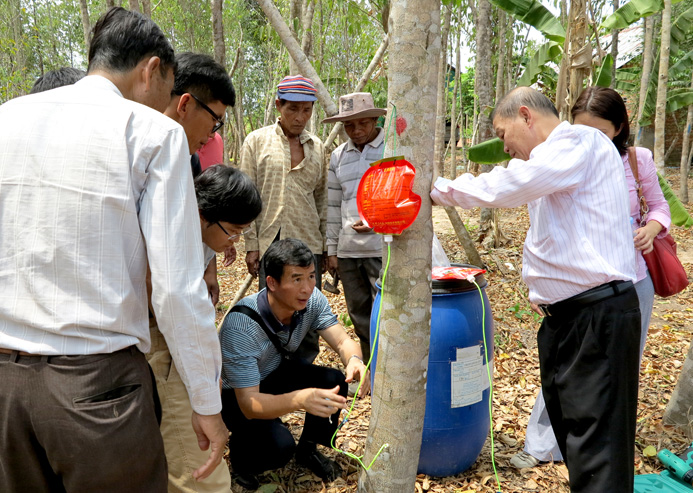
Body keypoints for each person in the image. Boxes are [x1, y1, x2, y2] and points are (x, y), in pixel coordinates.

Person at [0, 7, 227, 492]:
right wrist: (207, 402)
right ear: (152, 70)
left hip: (5, 387)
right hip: (96, 392)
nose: (165, 105)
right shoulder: (152, 133)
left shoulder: (7, 118)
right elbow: (176, 290)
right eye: (167, 92)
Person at [431, 86, 641, 493]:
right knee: (575, 439)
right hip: (564, 319)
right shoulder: (552, 163)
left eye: (503, 131)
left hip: (597, 316)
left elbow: (509, 184)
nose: (504, 146)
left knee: (599, 448)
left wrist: (437, 189)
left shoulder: (579, 141)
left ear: (526, 116)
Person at [510, 86, 672, 470]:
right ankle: (542, 444)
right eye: (581, 128)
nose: (589, 139)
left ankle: (606, 448)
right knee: (565, 372)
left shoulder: (636, 161)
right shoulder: (562, 156)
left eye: (599, 131)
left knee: (615, 373)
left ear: (618, 128)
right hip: (580, 288)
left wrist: (652, 228)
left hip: (631, 280)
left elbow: (662, 207)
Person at [219, 238, 370, 491]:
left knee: (334, 381)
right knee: (279, 448)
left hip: (274, 373)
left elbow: (343, 340)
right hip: (237, 396)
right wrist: (300, 399)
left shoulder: (310, 299)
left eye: (312, 276)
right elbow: (248, 404)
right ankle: (242, 461)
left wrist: (355, 360)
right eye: (297, 279)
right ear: (272, 283)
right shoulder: (241, 327)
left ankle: (308, 450)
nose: (308, 288)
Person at [147, 164, 261, 493]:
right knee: (197, 467)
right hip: (166, 347)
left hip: (173, 343)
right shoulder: (174, 250)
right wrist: (206, 398)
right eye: (233, 231)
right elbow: (185, 322)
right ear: (202, 213)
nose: (235, 241)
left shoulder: (193, 230)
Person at [239, 75, 328, 363]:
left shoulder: (318, 148)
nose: (300, 118)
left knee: (307, 311)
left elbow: (322, 200)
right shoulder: (256, 142)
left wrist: (326, 247)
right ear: (279, 105)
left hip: (308, 243)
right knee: (270, 313)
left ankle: (303, 373)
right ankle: (269, 377)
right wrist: (251, 245)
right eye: (293, 109)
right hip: (270, 244)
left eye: (307, 110)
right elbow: (246, 197)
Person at [324, 92, 386, 365]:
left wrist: (376, 221)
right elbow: (333, 206)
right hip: (348, 251)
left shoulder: (391, 149)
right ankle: (371, 367)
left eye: (362, 123)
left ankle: (388, 369)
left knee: (384, 311)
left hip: (382, 247)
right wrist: (332, 250)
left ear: (374, 119)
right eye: (349, 125)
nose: (356, 130)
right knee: (359, 313)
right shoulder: (339, 156)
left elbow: (402, 199)